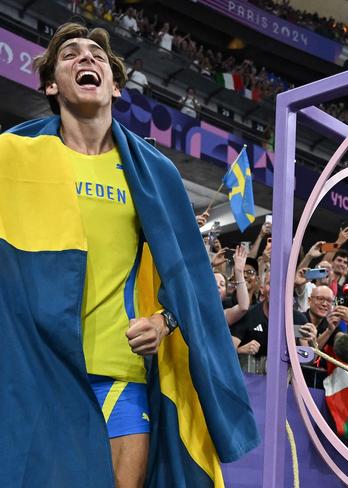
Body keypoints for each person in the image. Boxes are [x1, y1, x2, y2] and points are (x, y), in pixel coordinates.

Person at [1, 23, 258, 487]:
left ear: (116, 86)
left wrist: (164, 322)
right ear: (51, 84)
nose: (87, 58)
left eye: (97, 54)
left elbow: (191, 276)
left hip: (120, 369)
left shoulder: (154, 172)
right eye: (71, 54)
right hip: (38, 367)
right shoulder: (11, 157)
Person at [214, 245, 249, 325]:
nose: (218, 285)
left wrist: (239, 272)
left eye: (222, 284)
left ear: (225, 294)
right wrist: (211, 264)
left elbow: (243, 307)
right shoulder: (193, 305)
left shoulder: (222, 316)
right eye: (214, 282)